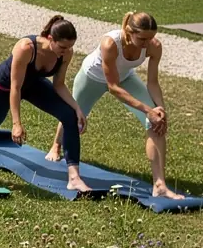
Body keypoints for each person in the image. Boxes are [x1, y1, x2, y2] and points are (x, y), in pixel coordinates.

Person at [45, 12, 183, 200]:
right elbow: (113, 87)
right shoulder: (110, 43)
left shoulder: (154, 46)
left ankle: (159, 185)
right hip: (92, 78)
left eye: (151, 37)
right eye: (142, 39)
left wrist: (159, 109)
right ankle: (56, 145)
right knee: (72, 116)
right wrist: (148, 110)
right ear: (129, 31)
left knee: (155, 123)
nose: (147, 43)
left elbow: (153, 83)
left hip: (125, 78)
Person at [0, 14, 90, 195]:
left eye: (70, 47)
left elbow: (59, 85)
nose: (66, 51)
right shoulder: (26, 47)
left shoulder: (65, 53)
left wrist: (77, 108)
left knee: (69, 115)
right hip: (3, 87)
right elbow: (15, 87)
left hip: (33, 86)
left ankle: (74, 178)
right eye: (62, 47)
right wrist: (16, 124)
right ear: (50, 39)